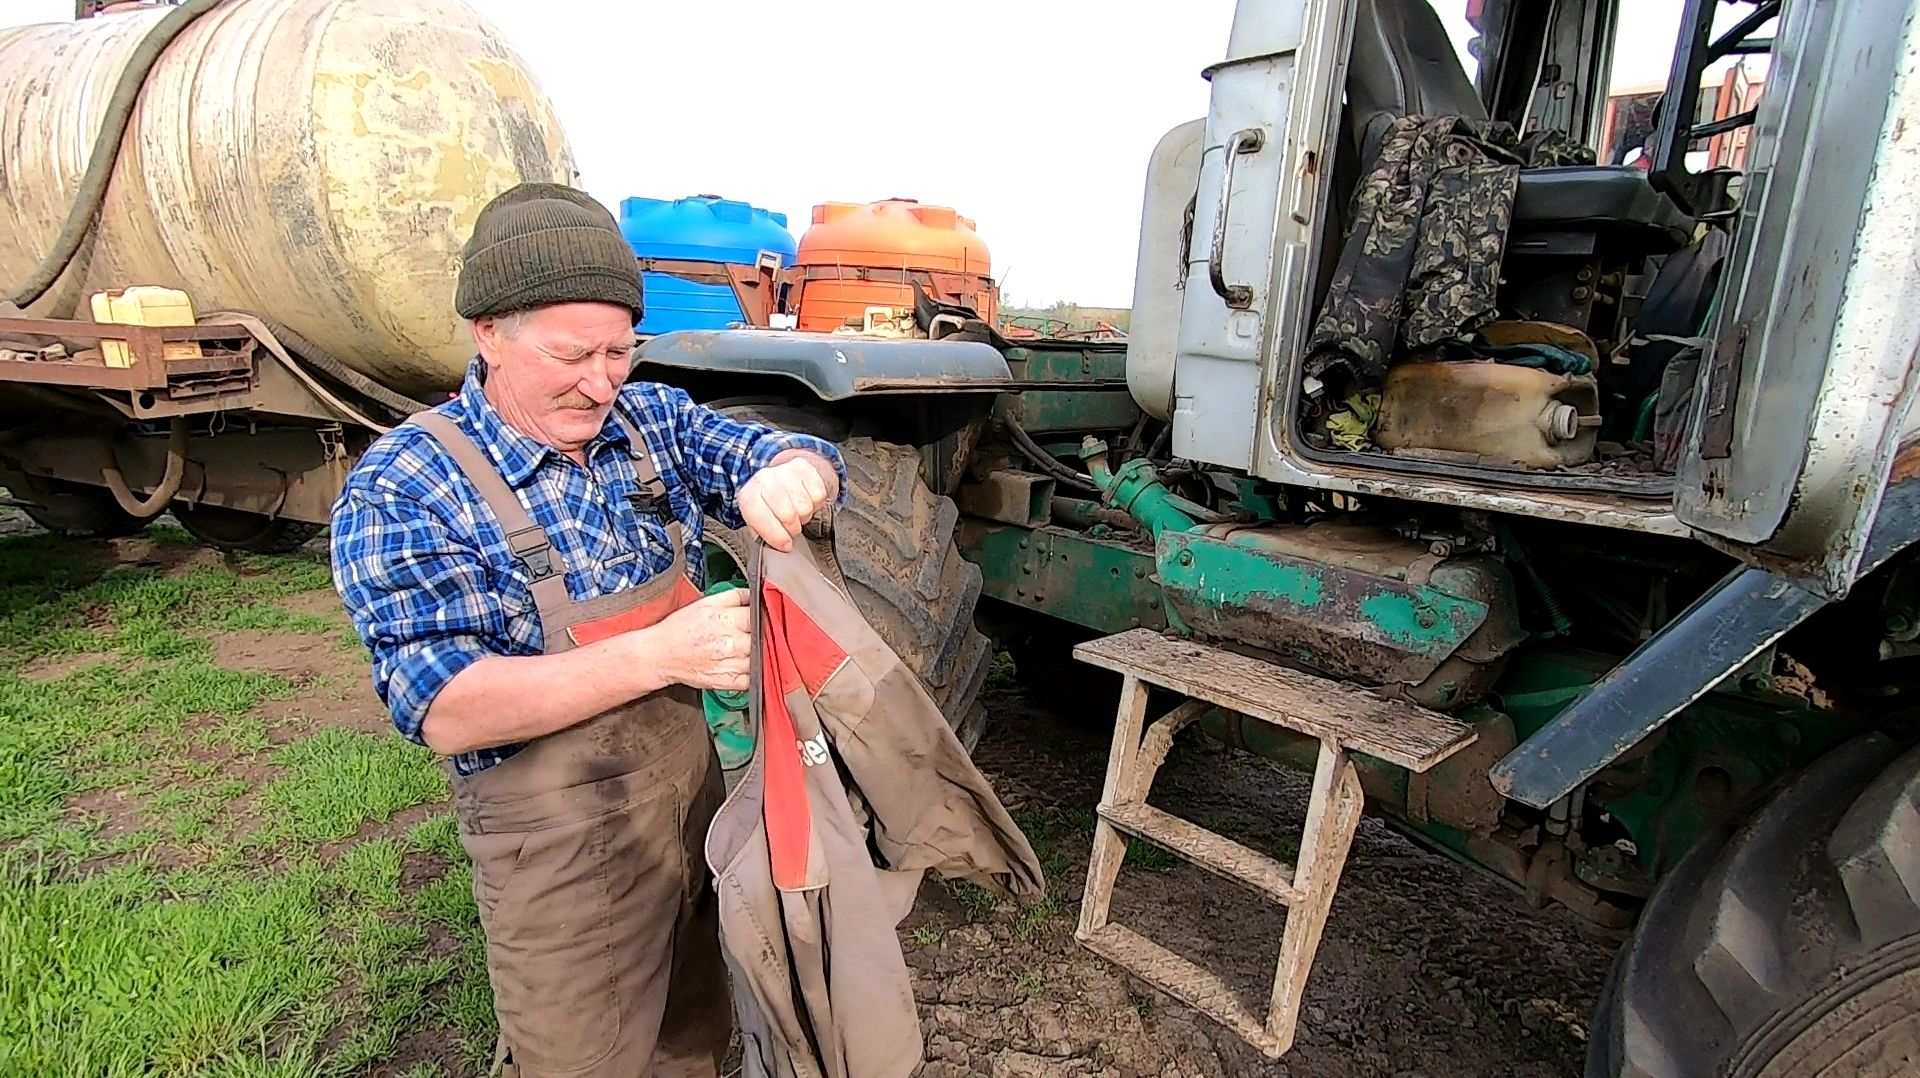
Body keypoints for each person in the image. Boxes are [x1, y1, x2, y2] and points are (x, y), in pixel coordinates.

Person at [329, 182, 845, 1078]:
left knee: (696, 1032)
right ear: (489, 333)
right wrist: (659, 654)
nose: (601, 381)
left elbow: (792, 456)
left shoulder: (650, 421)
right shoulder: (409, 483)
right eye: (572, 354)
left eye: (618, 351)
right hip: (554, 857)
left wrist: (792, 472)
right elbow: (446, 707)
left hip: (690, 817)